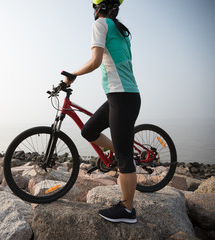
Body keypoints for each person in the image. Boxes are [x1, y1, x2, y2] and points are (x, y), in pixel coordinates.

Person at [64, 0, 141, 224]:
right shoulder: (120, 29)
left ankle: (127, 210)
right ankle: (120, 150)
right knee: (89, 130)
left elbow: (96, 61)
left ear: (99, 8)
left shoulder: (101, 24)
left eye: (94, 7)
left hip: (123, 97)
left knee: (125, 158)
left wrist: (73, 74)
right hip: (120, 96)